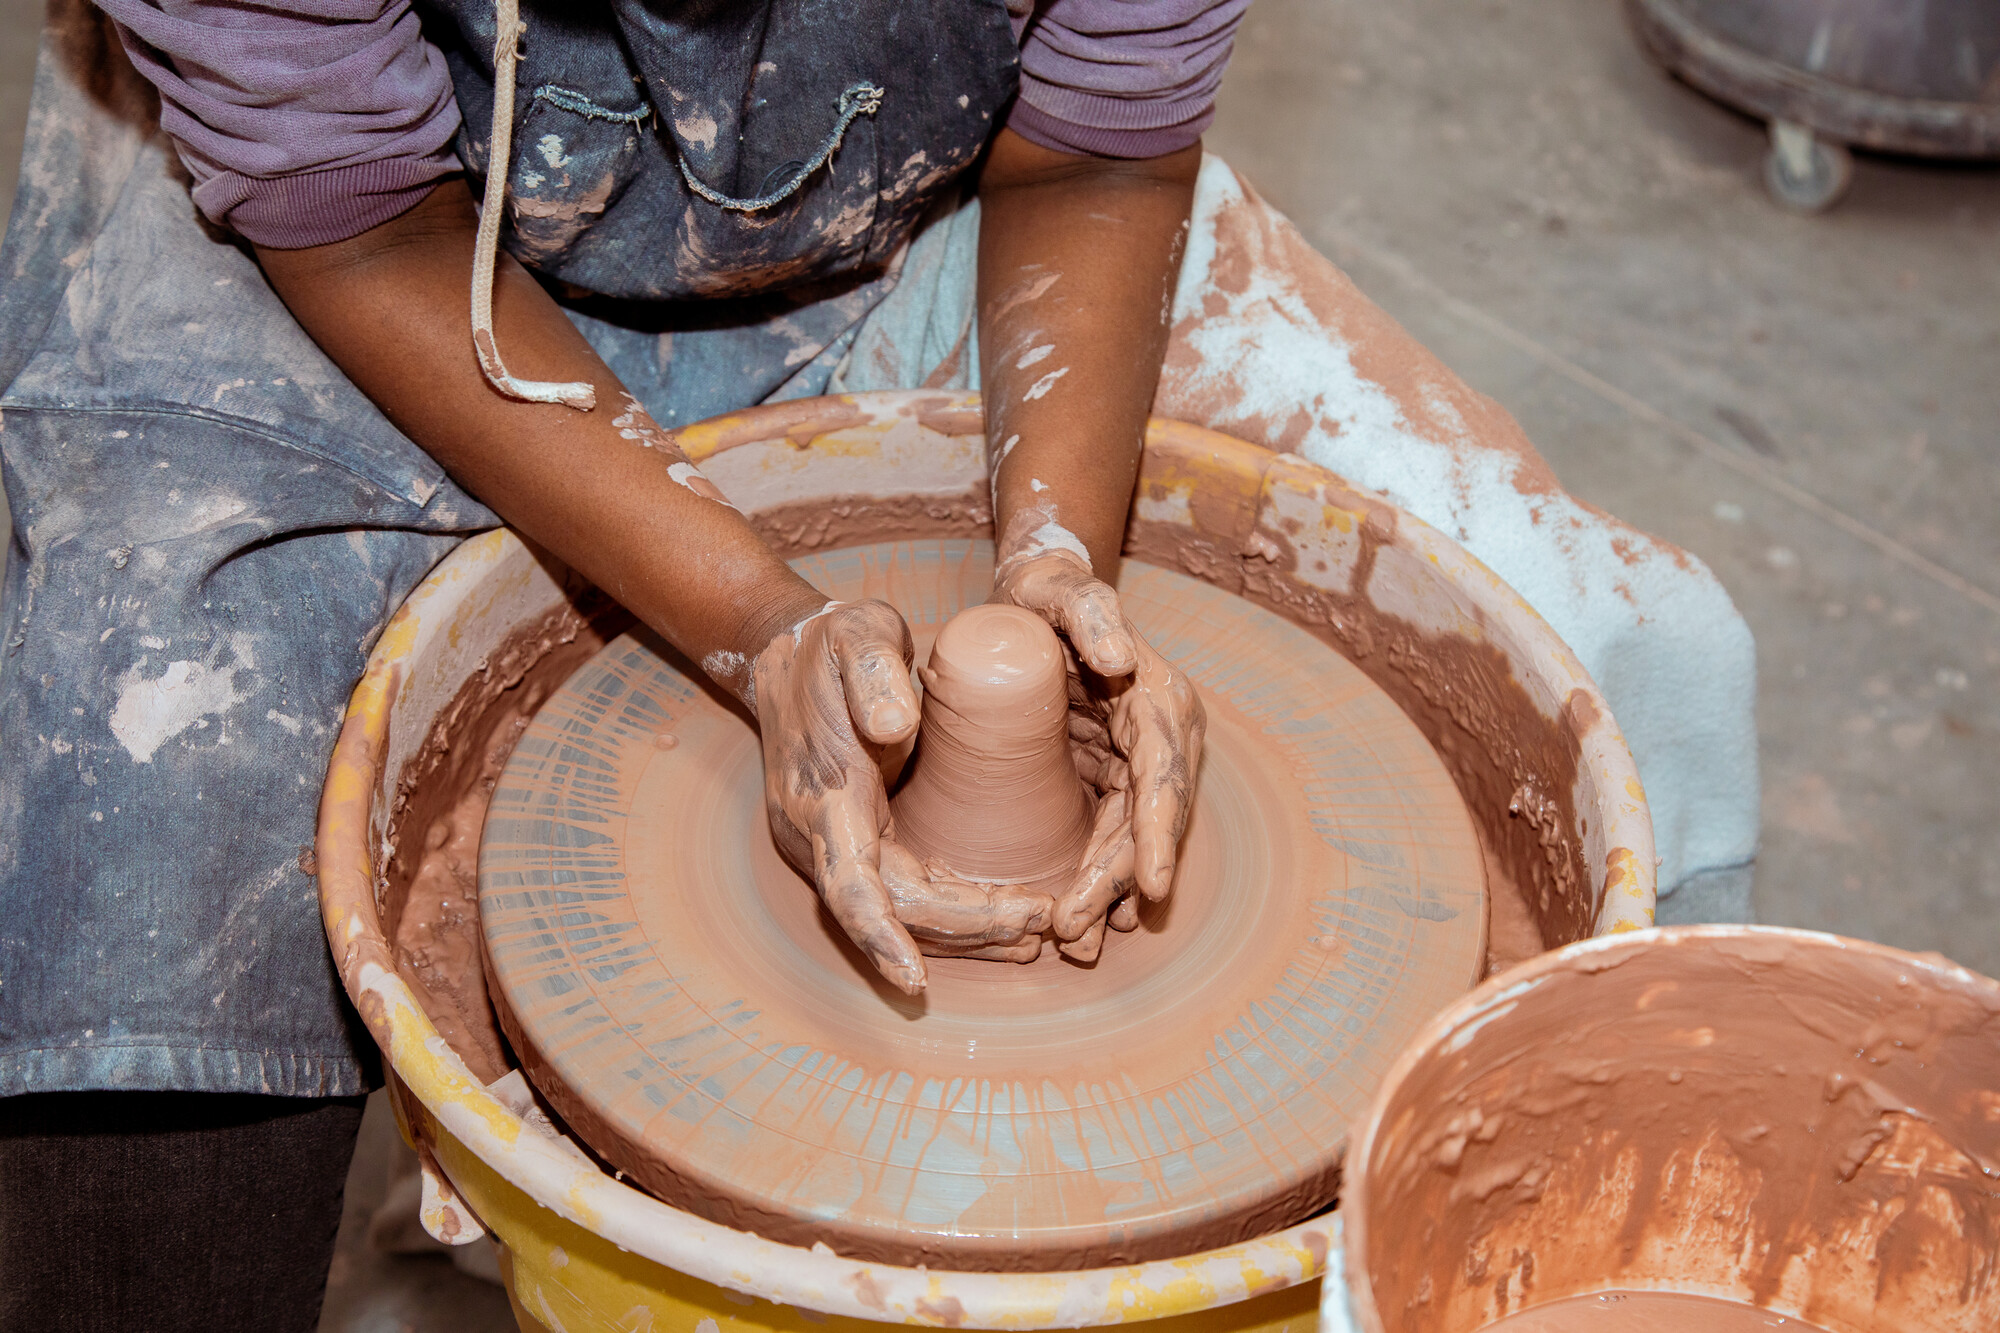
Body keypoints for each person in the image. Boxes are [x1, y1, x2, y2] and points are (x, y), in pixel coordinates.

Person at [0, 0, 1756, 1327]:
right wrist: (758, 624)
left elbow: (1094, 149)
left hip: (919, 212)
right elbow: (353, 207)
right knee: (138, 943)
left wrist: (1053, 559)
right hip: (333, 240)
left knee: (1628, 653)